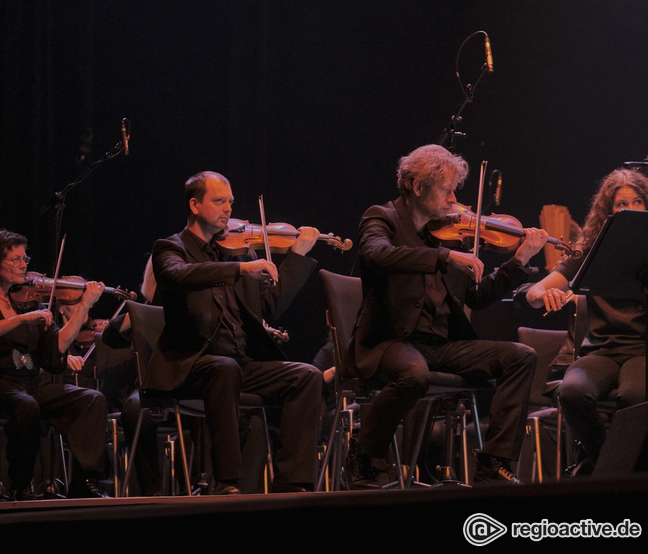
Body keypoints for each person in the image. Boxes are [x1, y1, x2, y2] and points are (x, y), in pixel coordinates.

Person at [340, 144, 549, 488]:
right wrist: (442, 257)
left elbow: (476, 297)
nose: (454, 199)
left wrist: (519, 261)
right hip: (391, 340)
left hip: (441, 345)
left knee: (521, 356)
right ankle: (363, 453)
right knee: (414, 375)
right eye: (446, 189)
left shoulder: (449, 232)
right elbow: (377, 254)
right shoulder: (382, 217)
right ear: (417, 186)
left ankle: (493, 463)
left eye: (456, 190)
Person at [149, 170, 323, 494]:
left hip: (240, 364)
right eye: (219, 201)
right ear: (195, 205)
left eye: (230, 202)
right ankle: (227, 482)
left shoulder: (239, 249)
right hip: (192, 362)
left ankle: (292, 483)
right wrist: (241, 269)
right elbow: (180, 275)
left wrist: (297, 257)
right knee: (224, 368)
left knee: (307, 375)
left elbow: (269, 306)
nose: (228, 209)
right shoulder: (170, 249)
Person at [0, 229, 109, 500]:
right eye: (15, 260)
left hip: (29, 385)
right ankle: (21, 485)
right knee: (25, 405)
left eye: (24, 258)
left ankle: (85, 480)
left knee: (92, 399)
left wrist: (84, 306)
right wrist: (24, 319)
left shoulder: (28, 302)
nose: (24, 266)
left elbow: (55, 351)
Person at [526, 167, 648, 476]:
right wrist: (541, 293)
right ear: (608, 211)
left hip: (642, 351)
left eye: (637, 202)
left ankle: (607, 471)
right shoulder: (591, 250)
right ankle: (612, 470)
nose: (630, 210)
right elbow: (537, 291)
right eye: (622, 204)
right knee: (572, 392)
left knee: (636, 397)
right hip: (601, 352)